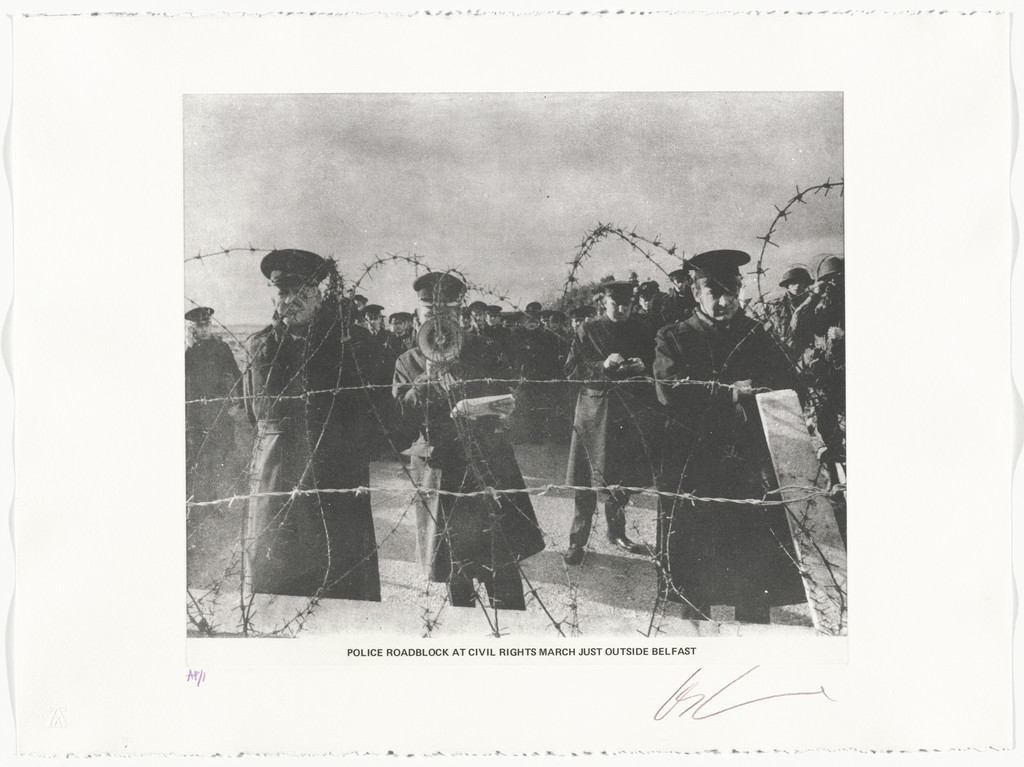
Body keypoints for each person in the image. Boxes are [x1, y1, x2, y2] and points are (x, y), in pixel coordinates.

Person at [653, 249, 805, 623]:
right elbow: (669, 389)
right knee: (696, 557)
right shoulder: (674, 336)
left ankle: (753, 630)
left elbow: (788, 379)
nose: (724, 302)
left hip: (747, 461)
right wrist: (728, 392)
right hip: (695, 459)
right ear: (695, 293)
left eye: (732, 293)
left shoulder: (754, 334)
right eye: (713, 292)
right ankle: (695, 634)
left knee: (752, 557)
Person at [392, 272, 545, 610]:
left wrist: (502, 406)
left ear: (459, 312)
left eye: (447, 310)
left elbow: (512, 396)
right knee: (453, 567)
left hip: (487, 465)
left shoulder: (485, 349)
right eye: (430, 311)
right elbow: (400, 423)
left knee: (501, 561)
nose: (438, 319)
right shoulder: (407, 361)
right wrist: (423, 384)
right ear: (419, 316)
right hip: (440, 471)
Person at [243, 249, 381, 601]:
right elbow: (252, 414)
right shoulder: (260, 348)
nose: (291, 301)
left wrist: (349, 453)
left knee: (342, 590)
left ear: (319, 295)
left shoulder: (353, 344)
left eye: (300, 292)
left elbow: (380, 416)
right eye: (283, 292)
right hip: (278, 484)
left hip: (335, 485)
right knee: (277, 591)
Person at [563, 281, 660, 565]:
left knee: (621, 478)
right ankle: (576, 540)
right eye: (614, 304)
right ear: (603, 303)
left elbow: (658, 363)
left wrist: (645, 367)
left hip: (628, 413)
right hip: (594, 412)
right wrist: (602, 366)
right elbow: (571, 370)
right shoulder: (588, 330)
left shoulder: (643, 329)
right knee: (587, 481)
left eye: (626, 304)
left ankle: (616, 532)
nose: (621, 309)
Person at [791, 256, 846, 496]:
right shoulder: (819, 305)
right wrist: (814, 295)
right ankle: (837, 479)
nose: (833, 285)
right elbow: (797, 329)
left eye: (837, 279)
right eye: (827, 281)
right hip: (827, 379)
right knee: (828, 428)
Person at [185, 306, 242, 503]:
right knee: (196, 457)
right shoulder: (188, 352)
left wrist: (239, 403)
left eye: (207, 324)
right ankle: (192, 501)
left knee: (220, 455)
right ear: (192, 328)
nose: (204, 329)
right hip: (195, 412)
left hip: (219, 410)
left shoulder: (221, 348)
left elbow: (236, 374)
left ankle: (212, 501)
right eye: (199, 326)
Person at [510, 302, 563, 443]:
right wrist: (513, 376)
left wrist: (553, 377)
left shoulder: (548, 336)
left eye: (535, 320)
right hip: (521, 376)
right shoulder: (516, 335)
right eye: (529, 320)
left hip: (541, 377)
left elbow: (553, 359)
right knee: (520, 406)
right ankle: (520, 436)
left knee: (538, 406)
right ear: (523, 320)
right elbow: (510, 357)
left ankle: (536, 435)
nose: (532, 323)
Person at [763, 266, 812, 349]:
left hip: (807, 347)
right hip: (784, 348)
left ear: (805, 284)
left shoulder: (812, 302)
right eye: (793, 282)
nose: (797, 286)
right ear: (787, 285)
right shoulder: (776, 305)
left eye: (800, 282)